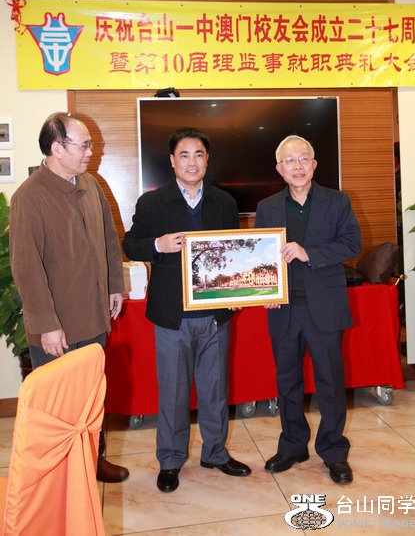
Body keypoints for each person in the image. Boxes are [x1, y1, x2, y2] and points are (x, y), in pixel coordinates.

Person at [123, 127, 251, 493]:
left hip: (214, 315)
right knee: (173, 394)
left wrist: (237, 289)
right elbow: (131, 244)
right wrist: (158, 245)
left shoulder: (224, 202)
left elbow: (235, 251)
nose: (192, 162)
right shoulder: (152, 202)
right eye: (184, 154)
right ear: (172, 161)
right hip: (171, 316)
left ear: (207, 160)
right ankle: (170, 460)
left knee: (215, 391)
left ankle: (215, 453)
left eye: (198, 154)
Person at [9, 112, 129, 483]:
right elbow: (26, 267)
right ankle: (59, 475)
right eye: (84, 145)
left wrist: (114, 285)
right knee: (58, 405)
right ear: (57, 148)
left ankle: (94, 459)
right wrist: (46, 325)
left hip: (93, 316)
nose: (91, 152)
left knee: (92, 396)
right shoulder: (29, 196)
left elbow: (109, 238)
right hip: (56, 326)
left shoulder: (90, 184)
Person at [254, 134, 361, 485]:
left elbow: (352, 244)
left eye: (303, 159)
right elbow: (262, 255)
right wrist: (266, 289)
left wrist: (308, 253)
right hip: (283, 308)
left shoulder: (337, 201)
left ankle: (334, 452)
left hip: (324, 307)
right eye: (290, 160)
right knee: (287, 382)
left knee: (330, 383)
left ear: (314, 165)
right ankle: (293, 445)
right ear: (279, 169)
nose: (297, 166)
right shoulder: (268, 206)